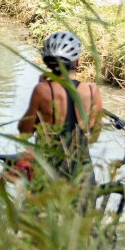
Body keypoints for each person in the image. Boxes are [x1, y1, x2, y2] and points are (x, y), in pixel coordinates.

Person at [16, 31, 103, 183]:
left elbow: (25, 131)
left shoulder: (42, 90)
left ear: (47, 62)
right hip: (82, 176)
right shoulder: (92, 91)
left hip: (49, 174)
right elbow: (94, 136)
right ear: (77, 62)